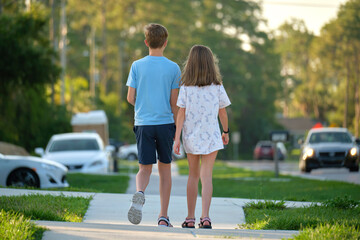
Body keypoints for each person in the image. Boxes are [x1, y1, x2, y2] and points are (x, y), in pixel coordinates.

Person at [126, 23, 181, 227]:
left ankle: (140, 193)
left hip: (143, 124)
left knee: (144, 168)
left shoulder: (136, 66)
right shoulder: (174, 68)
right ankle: (163, 217)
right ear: (165, 43)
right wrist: (178, 132)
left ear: (146, 42)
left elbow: (130, 97)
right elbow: (174, 103)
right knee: (165, 171)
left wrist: (143, 102)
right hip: (165, 123)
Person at [173, 45, 231, 229]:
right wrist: (226, 131)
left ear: (190, 64)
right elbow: (223, 113)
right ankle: (205, 217)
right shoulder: (217, 87)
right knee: (207, 177)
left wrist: (176, 138)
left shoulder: (186, 88)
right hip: (212, 137)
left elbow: (180, 114)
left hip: (191, 137)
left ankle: (190, 218)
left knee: (193, 176)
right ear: (210, 63)